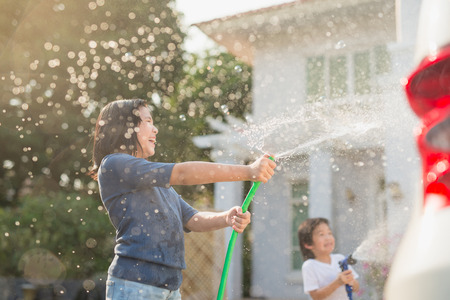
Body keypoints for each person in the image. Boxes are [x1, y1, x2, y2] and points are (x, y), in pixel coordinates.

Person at [89, 99, 276, 300]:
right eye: (147, 121)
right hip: (135, 285)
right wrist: (248, 171)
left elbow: (191, 219)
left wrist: (226, 218)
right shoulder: (114, 164)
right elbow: (183, 173)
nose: (155, 129)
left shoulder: (154, 182)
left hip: (170, 287)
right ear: (126, 127)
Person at [298, 218, 359, 300]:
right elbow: (315, 296)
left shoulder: (340, 259)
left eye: (329, 233)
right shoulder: (310, 266)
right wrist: (338, 282)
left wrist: (351, 281)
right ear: (308, 244)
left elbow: (356, 288)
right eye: (321, 234)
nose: (328, 238)